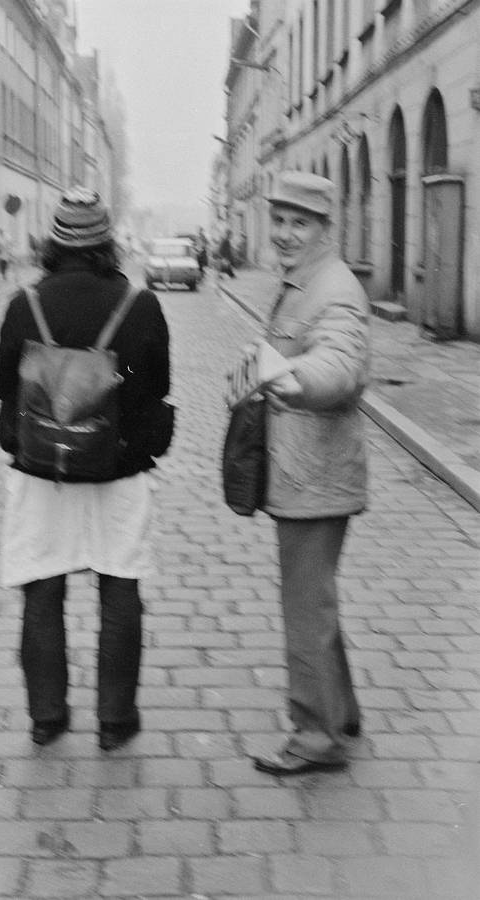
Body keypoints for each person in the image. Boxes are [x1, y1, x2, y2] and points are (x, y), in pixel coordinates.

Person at [0, 187, 170, 750]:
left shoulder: (25, 305)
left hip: (42, 470)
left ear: (54, 242)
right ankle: (116, 721)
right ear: (107, 243)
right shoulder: (140, 305)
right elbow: (157, 387)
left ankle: (48, 717)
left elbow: (4, 386)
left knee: (41, 589)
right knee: (120, 589)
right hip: (117, 470)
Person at [250, 171, 370, 776]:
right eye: (279, 220)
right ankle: (341, 712)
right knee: (315, 600)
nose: (285, 234)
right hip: (308, 469)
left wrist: (296, 381)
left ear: (325, 228)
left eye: (300, 223)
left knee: (305, 609)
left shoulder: (335, 289)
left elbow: (340, 360)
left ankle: (316, 739)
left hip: (316, 477)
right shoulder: (302, 282)